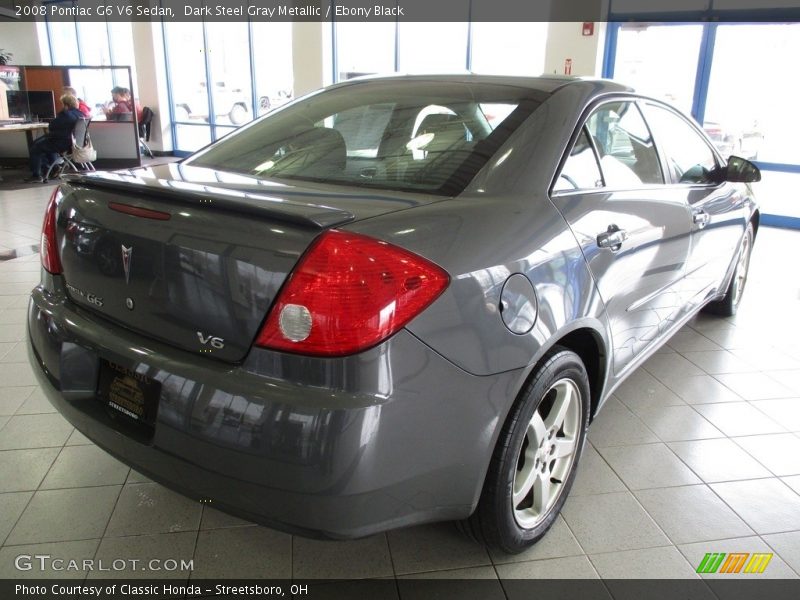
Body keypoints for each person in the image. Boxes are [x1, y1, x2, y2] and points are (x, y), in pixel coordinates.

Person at [24, 94, 84, 183]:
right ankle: (54, 168)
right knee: (40, 143)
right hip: (73, 143)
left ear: (65, 105)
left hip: (61, 143)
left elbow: (52, 126)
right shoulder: (80, 114)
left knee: (35, 148)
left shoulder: (66, 115)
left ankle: (36, 175)